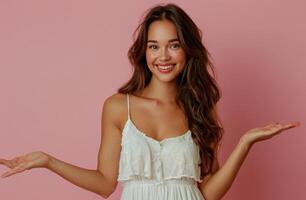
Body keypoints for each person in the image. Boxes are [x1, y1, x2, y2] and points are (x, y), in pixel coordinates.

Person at [0, 3, 300, 200]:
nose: (163, 56)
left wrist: (244, 143)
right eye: (154, 46)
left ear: (188, 51)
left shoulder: (200, 107)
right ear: (144, 52)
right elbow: (105, 184)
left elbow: (207, 193)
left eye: (174, 45)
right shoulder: (118, 107)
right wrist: (48, 161)